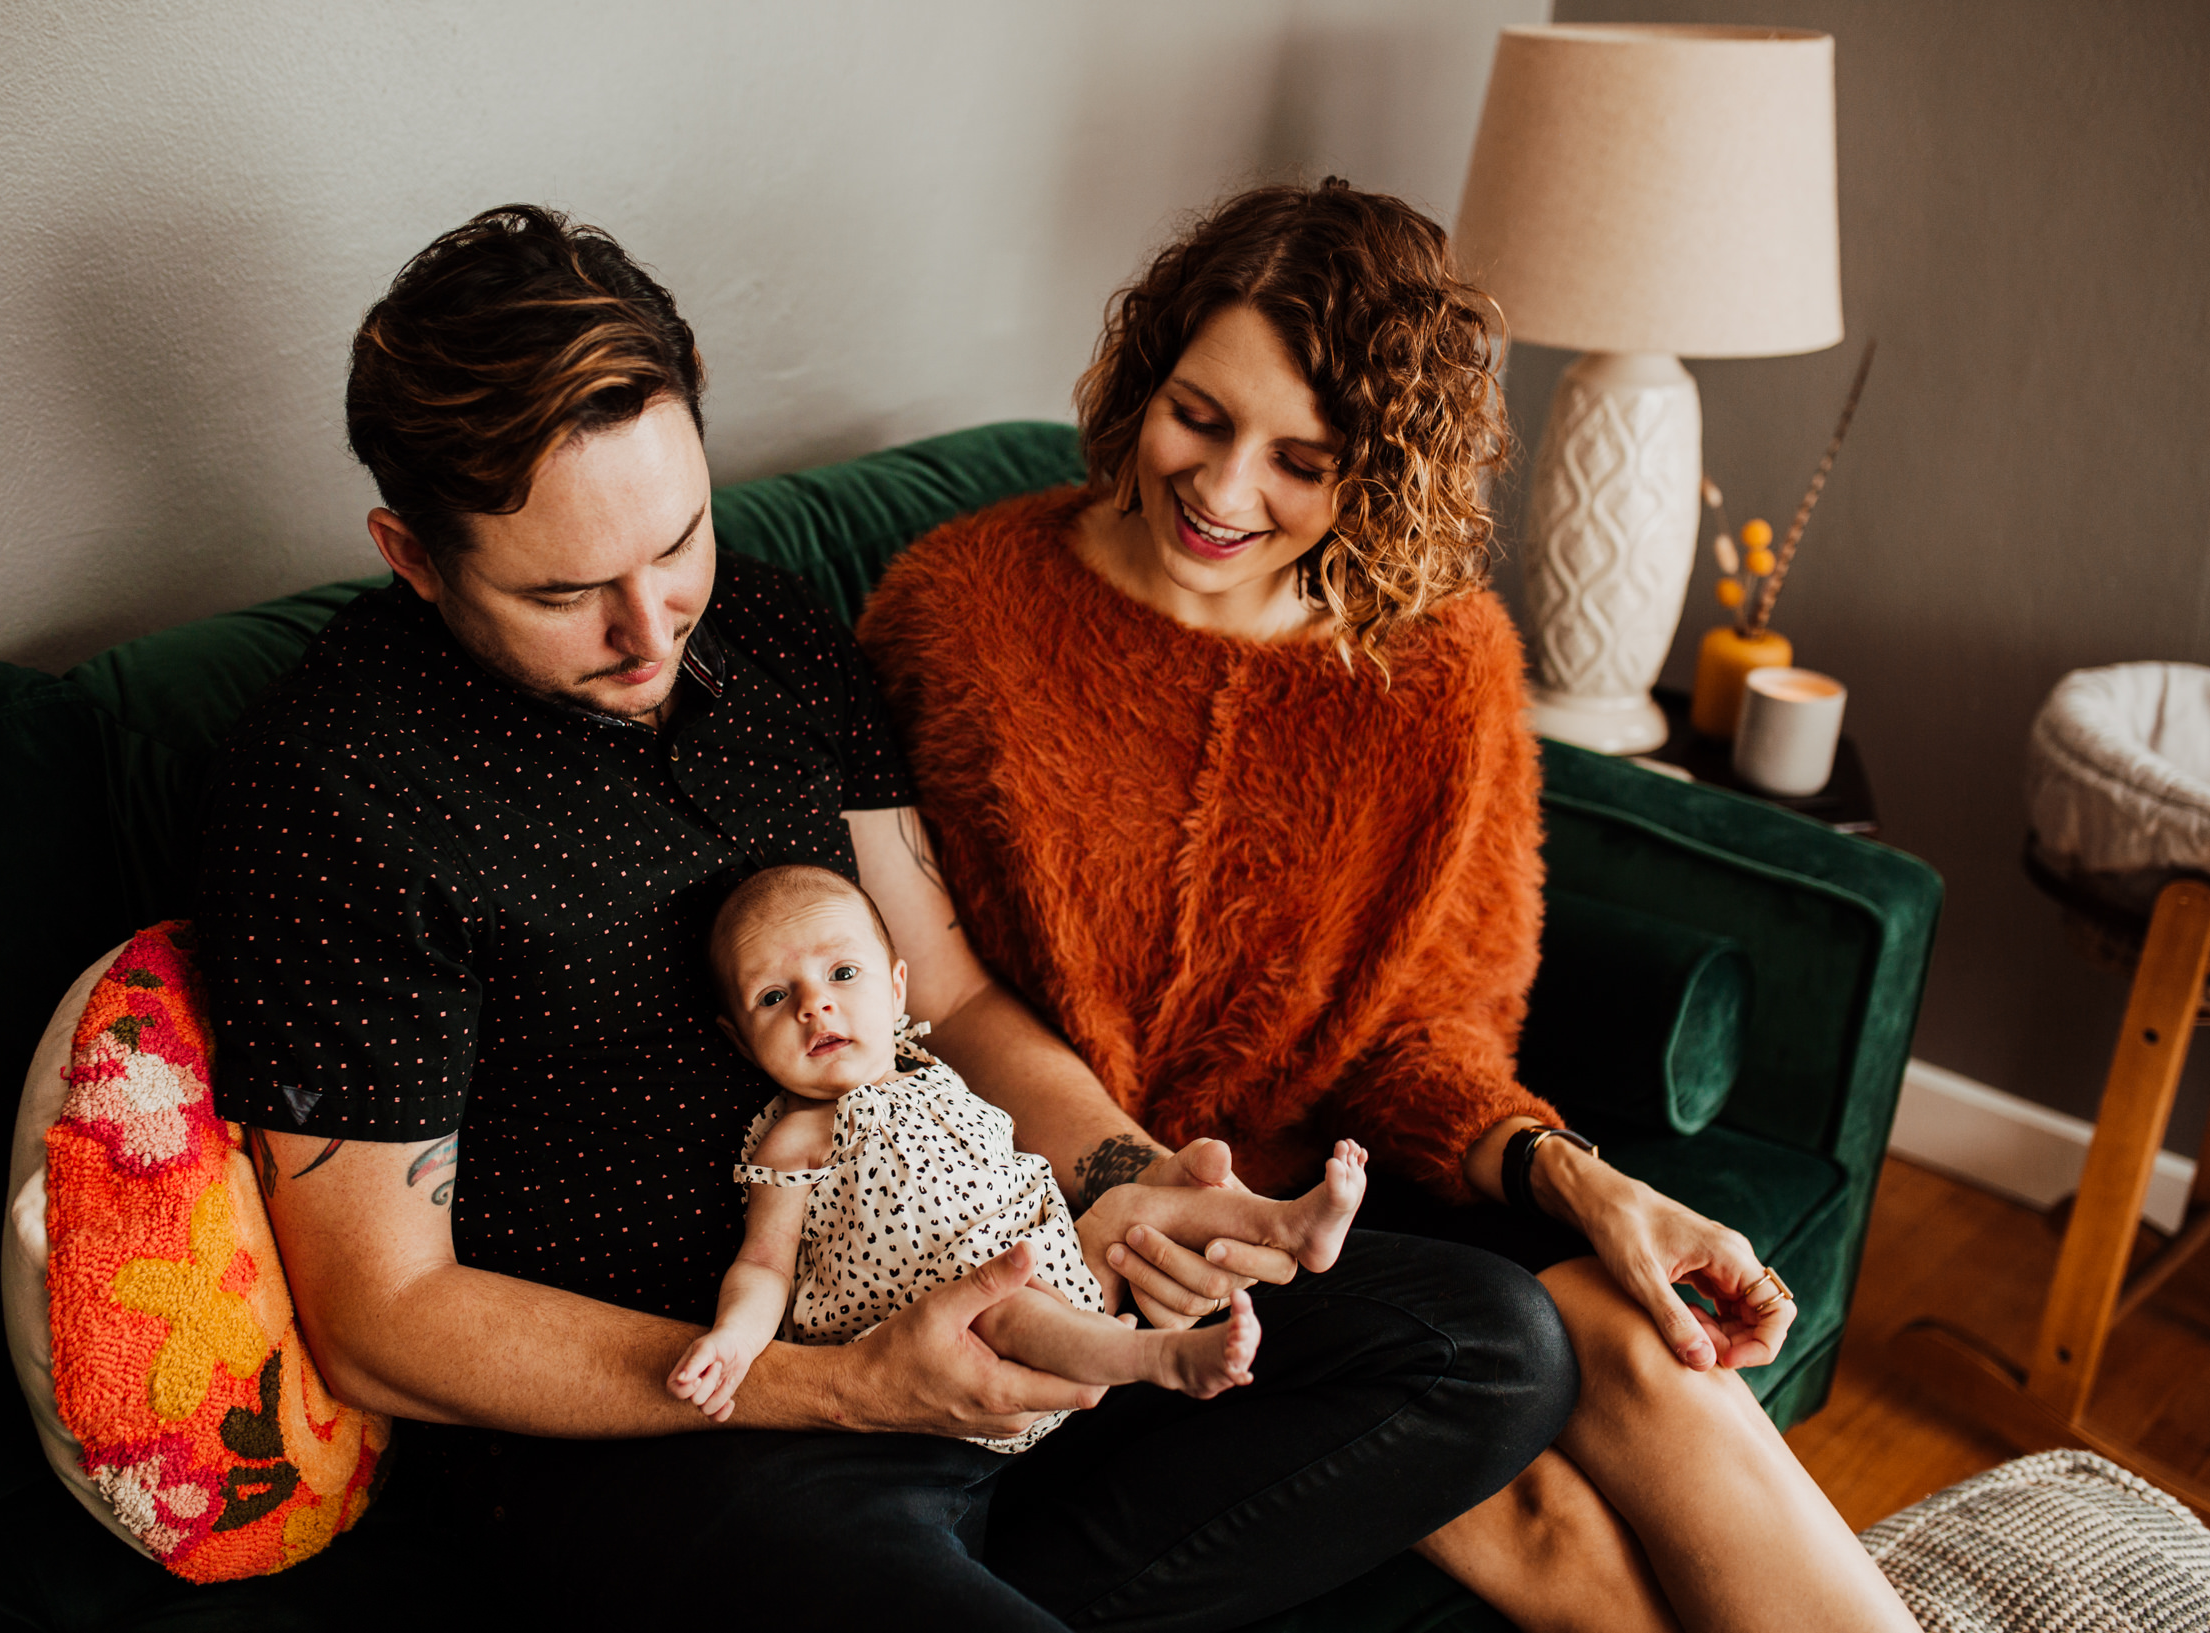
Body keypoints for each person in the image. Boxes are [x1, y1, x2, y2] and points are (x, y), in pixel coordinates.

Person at [196, 203, 1576, 1629]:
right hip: (685, 1424)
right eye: (566, 593)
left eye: (677, 543)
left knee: (1490, 1344)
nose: (653, 628)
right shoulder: (335, 789)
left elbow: (953, 994)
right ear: (414, 556)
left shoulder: (778, 637)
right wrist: (846, 1389)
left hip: (964, 1274)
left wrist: (1123, 1176)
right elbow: (383, 1321)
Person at [857, 179, 1920, 1633]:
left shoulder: (1439, 669)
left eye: (1303, 456)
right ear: (1141, 375)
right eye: (1198, 414)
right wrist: (1133, 1176)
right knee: (1535, 1503)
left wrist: (1583, 1180)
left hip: (1338, 1215)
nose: (1225, 492)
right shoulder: (956, 612)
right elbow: (918, 996)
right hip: (1075, 1230)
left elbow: (1426, 1038)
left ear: (1387, 468)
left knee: (1646, 1344)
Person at [672, 862, 1374, 1436]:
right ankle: (1158, 1358)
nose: (813, 1006)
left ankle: (1289, 1224)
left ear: (895, 989)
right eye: (772, 996)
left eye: (842, 974)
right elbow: (764, 1263)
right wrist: (735, 1340)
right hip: (947, 1346)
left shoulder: (932, 1074)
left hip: (1062, 1269)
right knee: (1007, 1304)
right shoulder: (793, 1136)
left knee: (1131, 1203)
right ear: (739, 1039)